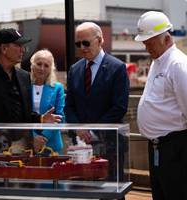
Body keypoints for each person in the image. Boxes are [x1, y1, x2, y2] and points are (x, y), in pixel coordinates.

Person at [65, 21, 129, 189]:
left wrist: (93, 130)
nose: (82, 47)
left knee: (112, 191)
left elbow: (119, 107)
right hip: (80, 145)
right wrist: (78, 128)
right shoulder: (74, 69)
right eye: (78, 44)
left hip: (109, 143)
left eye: (86, 43)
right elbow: (69, 105)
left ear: (100, 40)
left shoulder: (118, 68)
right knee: (83, 191)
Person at [135, 11, 187, 200]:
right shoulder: (159, 61)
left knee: (175, 194)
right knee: (161, 194)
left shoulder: (178, 65)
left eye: (150, 42)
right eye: (145, 42)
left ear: (166, 38)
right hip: (159, 148)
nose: (146, 46)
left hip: (174, 148)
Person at [0, 28, 62, 152]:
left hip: (21, 147)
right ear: (4, 49)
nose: (23, 49)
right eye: (18, 45)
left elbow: (24, 113)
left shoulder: (24, 76)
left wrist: (40, 118)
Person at [30, 49, 65, 154]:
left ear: (51, 69)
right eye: (39, 64)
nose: (42, 68)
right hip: (28, 143)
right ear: (32, 65)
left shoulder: (58, 88)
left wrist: (43, 138)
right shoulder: (24, 85)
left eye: (46, 65)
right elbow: (21, 115)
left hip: (52, 145)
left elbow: (60, 117)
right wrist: (34, 138)